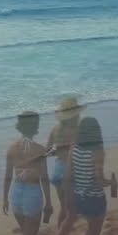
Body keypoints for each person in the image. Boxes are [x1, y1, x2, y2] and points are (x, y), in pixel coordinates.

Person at [49, 116, 114, 235]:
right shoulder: (98, 151)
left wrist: (70, 200)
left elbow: (69, 177)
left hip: (78, 195)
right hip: (94, 198)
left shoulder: (74, 149)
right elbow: (99, 180)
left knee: (86, 231)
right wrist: (111, 182)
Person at [2, 110, 53, 235]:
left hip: (16, 192)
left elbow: (7, 176)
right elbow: (44, 178)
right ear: (35, 127)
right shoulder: (39, 149)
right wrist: (49, 201)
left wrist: (4, 198)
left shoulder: (11, 148)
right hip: (32, 192)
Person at [45, 96, 82, 226]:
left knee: (64, 208)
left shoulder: (55, 129)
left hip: (57, 171)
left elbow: (47, 151)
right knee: (73, 211)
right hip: (71, 172)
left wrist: (58, 151)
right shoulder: (78, 130)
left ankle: (60, 234)